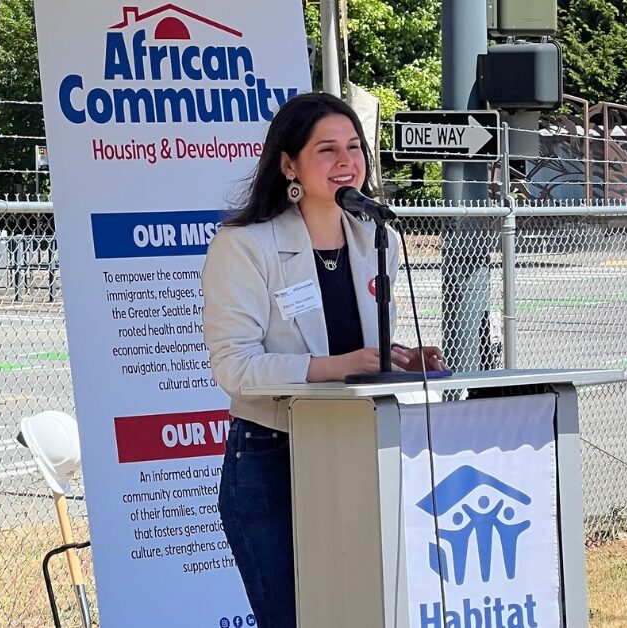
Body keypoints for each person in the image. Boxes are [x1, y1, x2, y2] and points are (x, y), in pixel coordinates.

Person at [202, 91, 443, 628]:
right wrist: (336, 365)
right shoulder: (245, 245)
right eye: (327, 149)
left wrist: (397, 358)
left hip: (356, 447)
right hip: (272, 457)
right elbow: (235, 368)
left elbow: (359, 347)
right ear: (289, 164)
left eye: (354, 147)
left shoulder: (377, 238)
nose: (346, 161)